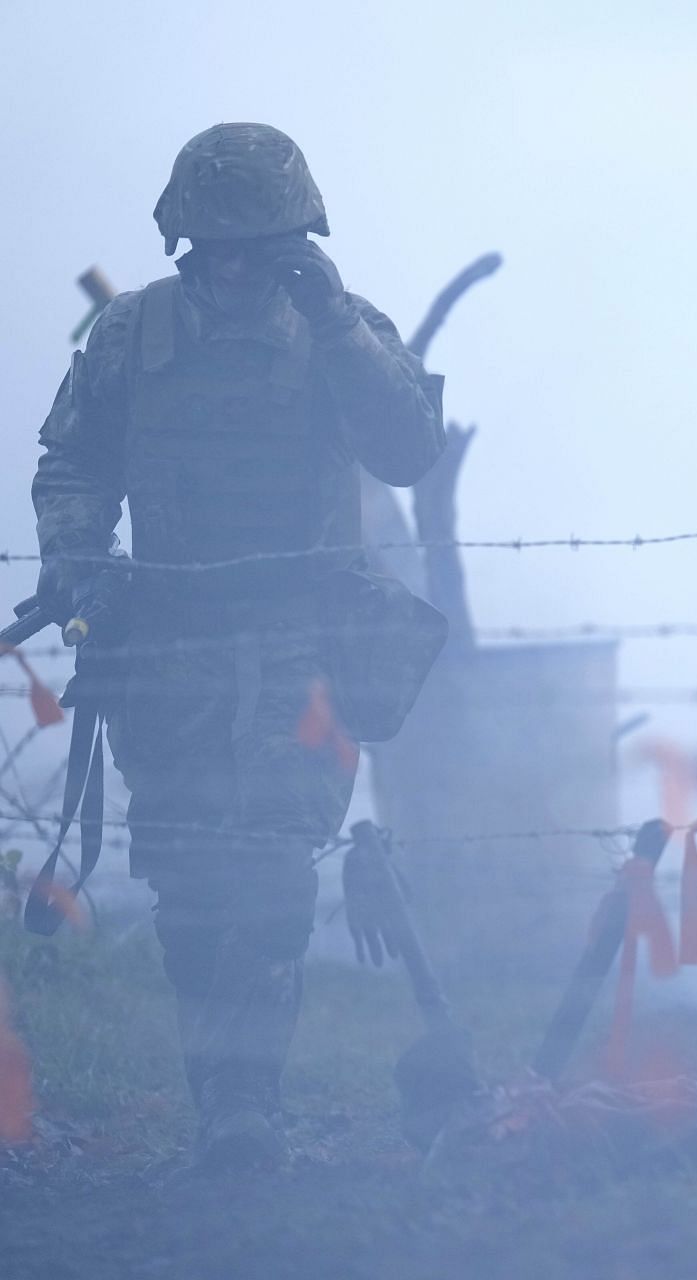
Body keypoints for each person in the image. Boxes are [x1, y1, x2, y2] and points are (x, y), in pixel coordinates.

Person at [31, 123, 445, 1168]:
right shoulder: (131, 334)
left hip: (301, 644)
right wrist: (80, 557)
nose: (229, 265)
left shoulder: (336, 328)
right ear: (180, 238)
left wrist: (340, 324)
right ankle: (220, 1092)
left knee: (268, 872)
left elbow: (406, 449)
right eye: (212, 245)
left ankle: (246, 1108)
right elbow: (72, 459)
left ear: (295, 241)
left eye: (255, 245)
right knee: (188, 881)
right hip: (169, 645)